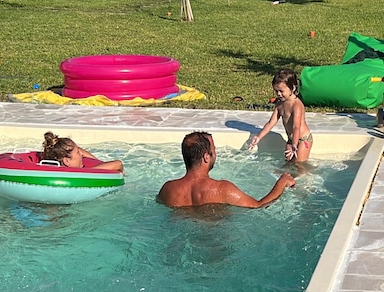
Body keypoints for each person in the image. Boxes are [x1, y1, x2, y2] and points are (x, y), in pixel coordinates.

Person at [157, 131, 295, 208]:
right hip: (215, 243)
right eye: (214, 151)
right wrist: (281, 183)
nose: (215, 154)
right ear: (206, 157)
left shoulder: (167, 189)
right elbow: (258, 205)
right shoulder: (222, 189)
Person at [247, 69, 313, 162]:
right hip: (291, 140)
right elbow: (271, 123)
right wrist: (258, 137)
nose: (278, 94)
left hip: (303, 140)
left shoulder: (296, 105)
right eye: (276, 91)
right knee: (287, 164)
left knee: (299, 165)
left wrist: (294, 144)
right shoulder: (280, 104)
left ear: (293, 88)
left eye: (281, 91)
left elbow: (296, 127)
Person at [42, 132, 124, 171]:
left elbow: (77, 150)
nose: (81, 154)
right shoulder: (81, 175)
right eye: (78, 152)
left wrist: (96, 161)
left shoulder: (50, 168)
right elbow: (118, 164)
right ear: (67, 161)